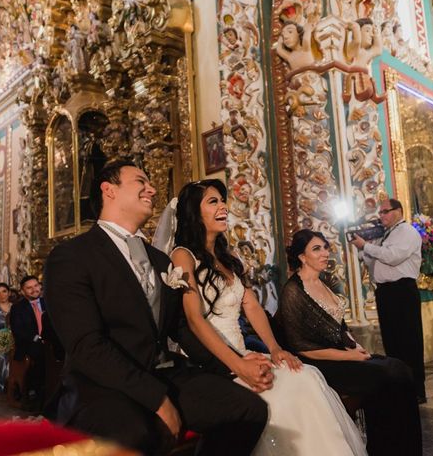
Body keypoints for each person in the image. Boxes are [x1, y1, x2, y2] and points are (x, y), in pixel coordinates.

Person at [43, 160, 268, 455]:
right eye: (140, 181)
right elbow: (87, 346)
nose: (152, 188)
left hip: (164, 374)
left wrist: (236, 367)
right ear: (108, 190)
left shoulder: (161, 262)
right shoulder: (72, 256)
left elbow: (181, 329)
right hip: (101, 383)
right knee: (138, 434)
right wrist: (158, 399)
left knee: (249, 408)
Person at [167, 179, 366, 455]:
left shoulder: (227, 257)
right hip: (214, 361)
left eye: (223, 200)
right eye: (213, 201)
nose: (223, 205)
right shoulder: (183, 256)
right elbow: (194, 320)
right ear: (193, 212)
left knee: (305, 376)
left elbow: (252, 306)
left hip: (245, 352)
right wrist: (237, 364)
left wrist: (275, 349)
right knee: (285, 396)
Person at [277, 229, 422, 455]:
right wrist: (349, 355)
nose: (325, 253)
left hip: (343, 354)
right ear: (302, 257)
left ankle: (403, 449)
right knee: (386, 376)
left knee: (401, 369)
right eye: (317, 249)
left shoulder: (325, 282)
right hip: (320, 362)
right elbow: (302, 347)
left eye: (325, 247)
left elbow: (340, 326)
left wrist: (355, 346)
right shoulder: (293, 291)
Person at [349, 198, 426, 402]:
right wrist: (362, 250)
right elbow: (373, 261)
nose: (381, 216)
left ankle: (416, 389)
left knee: (409, 341)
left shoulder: (407, 232)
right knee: (392, 341)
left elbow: (393, 257)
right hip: (386, 292)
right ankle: (400, 386)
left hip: (402, 291)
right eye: (380, 213)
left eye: (385, 211)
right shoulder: (386, 235)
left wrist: (366, 245)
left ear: (398, 211)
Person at [10, 275, 46, 404]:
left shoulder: (49, 302)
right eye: (29, 288)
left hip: (50, 341)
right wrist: (38, 338)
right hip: (29, 343)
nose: (34, 290)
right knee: (40, 353)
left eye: (36, 286)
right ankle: (37, 392)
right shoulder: (17, 308)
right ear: (23, 291)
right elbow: (19, 331)